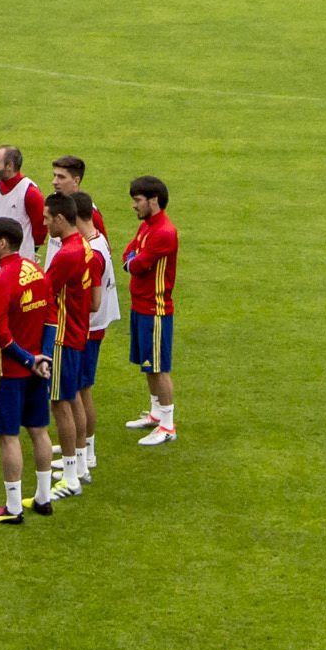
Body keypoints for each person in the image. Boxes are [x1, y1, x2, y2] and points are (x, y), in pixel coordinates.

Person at [0, 213, 57, 524]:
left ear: (4, 242)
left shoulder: (0, 281)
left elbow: (1, 336)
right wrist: (44, 357)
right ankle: (43, 497)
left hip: (11, 371)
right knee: (39, 431)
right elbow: (51, 317)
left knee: (8, 436)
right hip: (39, 367)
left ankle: (13, 507)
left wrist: (27, 360)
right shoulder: (37, 271)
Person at [42, 188, 114, 499]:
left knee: (61, 404)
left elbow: (43, 292)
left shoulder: (67, 254)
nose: (44, 225)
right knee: (73, 399)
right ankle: (81, 465)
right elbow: (94, 300)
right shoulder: (87, 249)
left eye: (47, 219)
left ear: (60, 218)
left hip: (60, 336)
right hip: (78, 332)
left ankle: (70, 476)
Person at [124, 174, 180, 446]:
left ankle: (168, 425)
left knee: (158, 367)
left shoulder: (164, 232)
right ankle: (157, 414)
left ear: (153, 200)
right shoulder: (147, 226)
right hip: (140, 306)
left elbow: (136, 264)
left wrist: (133, 262)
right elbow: (128, 255)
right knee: (148, 365)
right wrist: (132, 261)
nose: (134, 206)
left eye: (137, 200)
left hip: (155, 310)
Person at [0, 147, 47, 275]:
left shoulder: (30, 192)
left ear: (9, 166)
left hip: (19, 266)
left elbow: (41, 230)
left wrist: (27, 250)